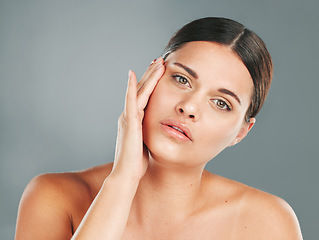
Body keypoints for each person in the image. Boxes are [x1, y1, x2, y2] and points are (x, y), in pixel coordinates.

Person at [15, 17, 303, 239]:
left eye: (221, 103)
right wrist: (123, 179)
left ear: (241, 132)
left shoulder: (267, 222)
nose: (189, 107)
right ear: (150, 77)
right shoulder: (52, 196)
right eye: (181, 80)